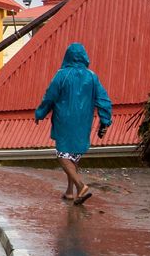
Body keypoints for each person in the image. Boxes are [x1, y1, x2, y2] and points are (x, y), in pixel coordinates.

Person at [33, 42, 112, 204]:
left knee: (63, 155)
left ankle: (81, 186)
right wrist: (105, 120)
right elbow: (103, 100)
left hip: (65, 119)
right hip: (84, 121)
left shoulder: (62, 75)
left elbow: (50, 97)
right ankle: (70, 191)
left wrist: (40, 113)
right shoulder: (92, 76)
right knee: (74, 155)